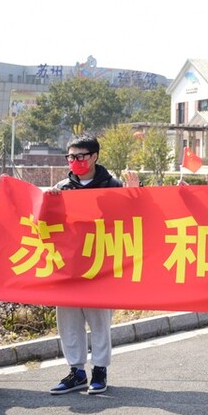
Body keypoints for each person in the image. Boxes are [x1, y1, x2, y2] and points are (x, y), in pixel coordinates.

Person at [46, 135, 138, 395]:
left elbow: (132, 221)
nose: (75, 161)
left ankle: (100, 370)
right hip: (68, 268)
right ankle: (76, 371)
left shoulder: (112, 186)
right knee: (68, 322)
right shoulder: (62, 188)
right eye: (71, 157)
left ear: (95, 156)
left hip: (101, 267)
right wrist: (50, 201)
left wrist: (134, 195)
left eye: (81, 156)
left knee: (99, 322)